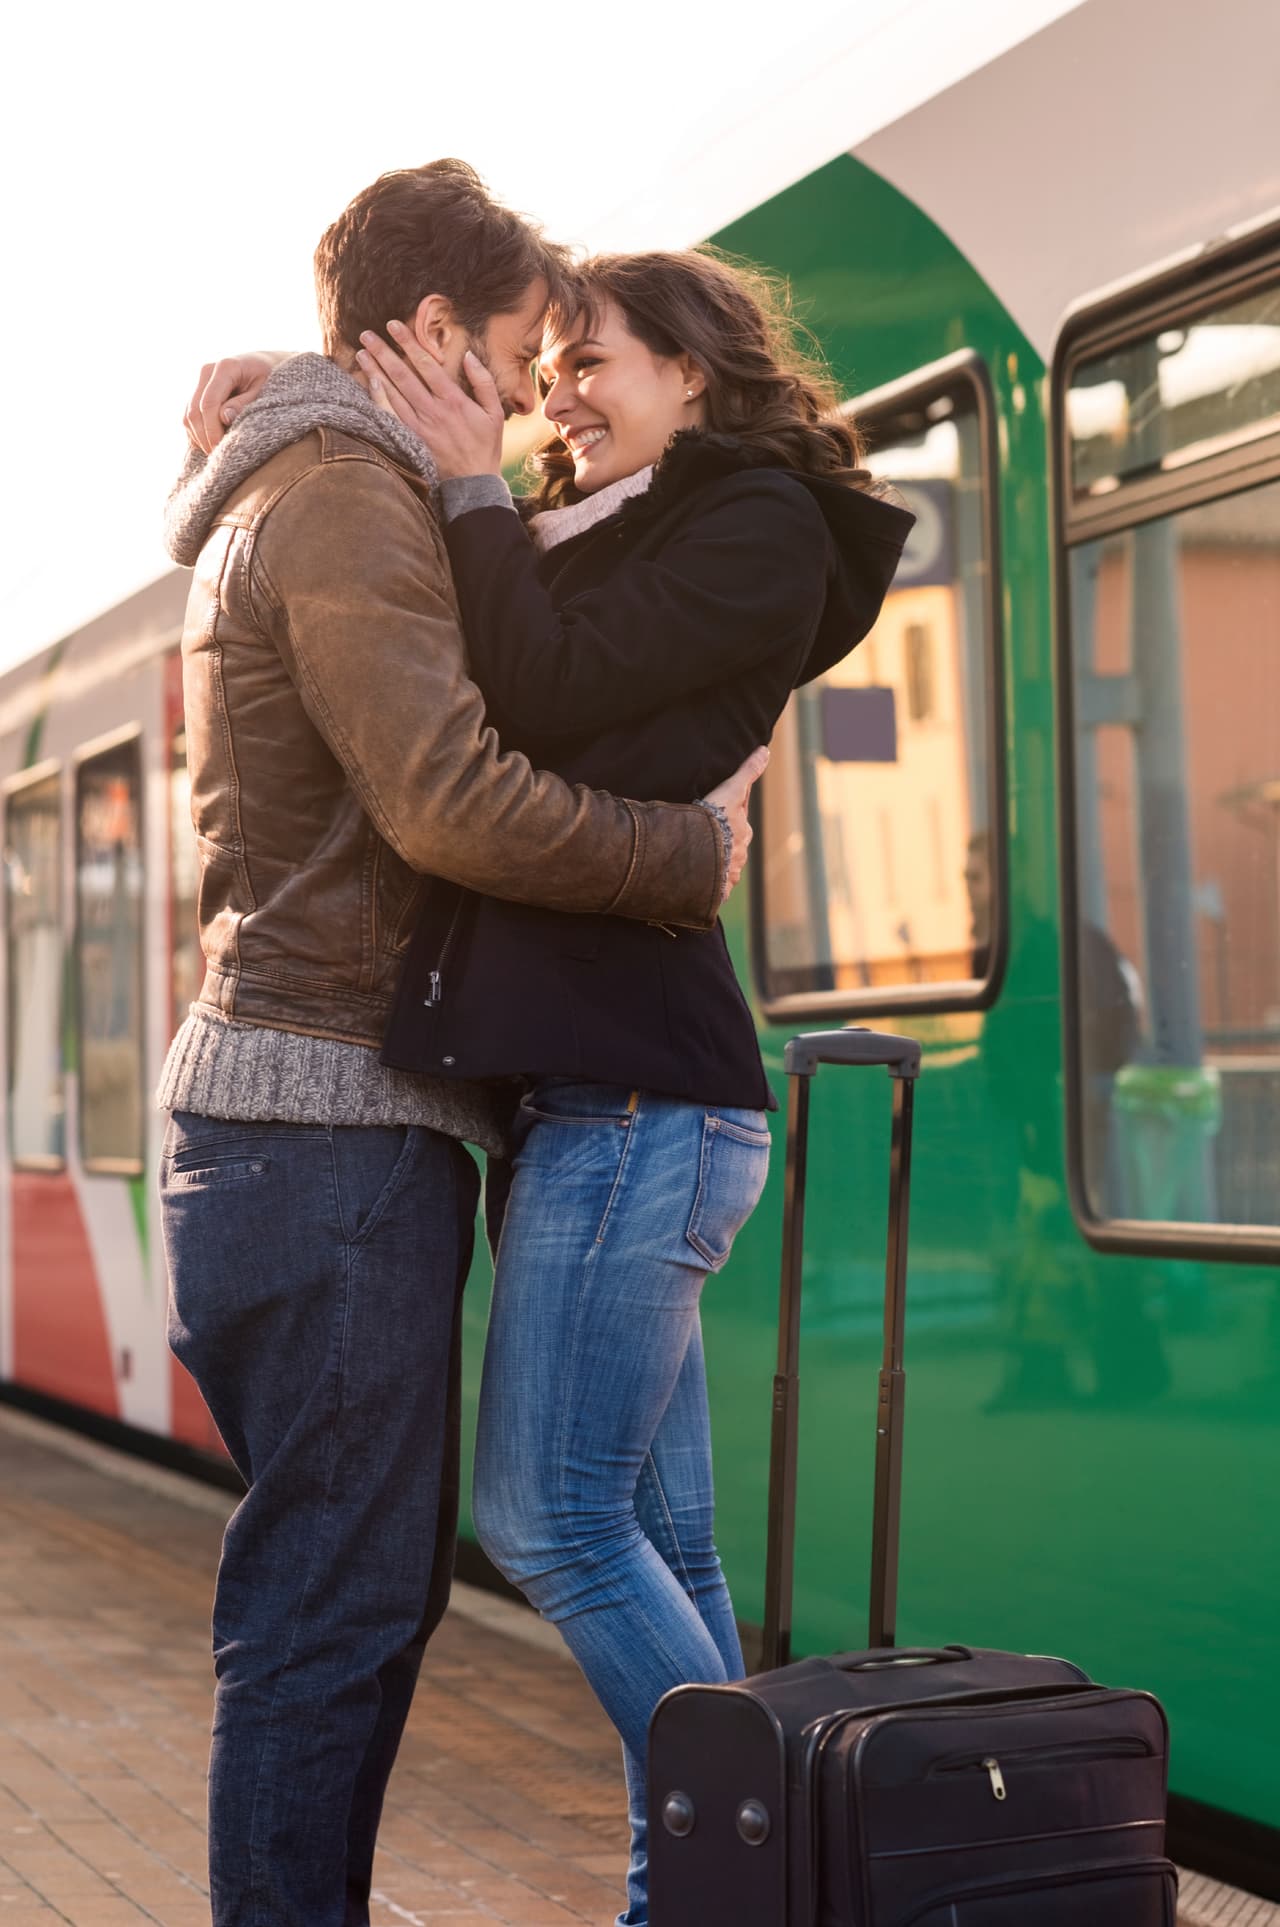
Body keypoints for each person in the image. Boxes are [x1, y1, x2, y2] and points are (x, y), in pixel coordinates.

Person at [160, 162, 763, 1927]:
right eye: (507, 357)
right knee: (333, 1615)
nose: (515, 401)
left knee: (342, 1602)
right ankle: (785, 1831)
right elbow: (444, 797)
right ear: (429, 331)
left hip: (318, 1122)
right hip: (328, 1123)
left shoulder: (321, 474)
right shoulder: (345, 496)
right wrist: (686, 855)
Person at [353, 249, 915, 1926]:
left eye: (591, 363)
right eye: (550, 371)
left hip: (639, 1102)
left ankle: (799, 1865)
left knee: (550, 1517)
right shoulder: (593, 528)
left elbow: (536, 691)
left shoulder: (760, 528)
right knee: (663, 1550)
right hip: (593, 1103)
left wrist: (473, 487)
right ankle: (699, 1905)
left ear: (696, 371)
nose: (558, 399)